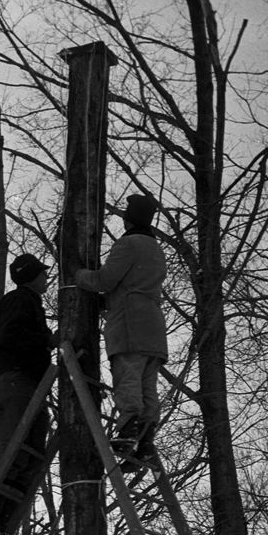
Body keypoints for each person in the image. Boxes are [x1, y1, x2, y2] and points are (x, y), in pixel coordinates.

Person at [73, 190, 167, 466]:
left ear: (129, 219)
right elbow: (131, 282)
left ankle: (128, 430)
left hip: (130, 322)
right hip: (152, 325)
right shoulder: (156, 248)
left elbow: (105, 279)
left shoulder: (129, 245)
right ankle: (146, 440)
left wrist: (78, 276)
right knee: (147, 384)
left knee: (128, 375)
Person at [0, 253, 53, 535]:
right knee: (16, 449)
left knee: (32, 453)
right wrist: (46, 341)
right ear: (31, 276)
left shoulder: (29, 302)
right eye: (42, 274)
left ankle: (2, 523)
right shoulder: (19, 300)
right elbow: (11, 335)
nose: (46, 278)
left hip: (28, 383)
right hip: (16, 381)